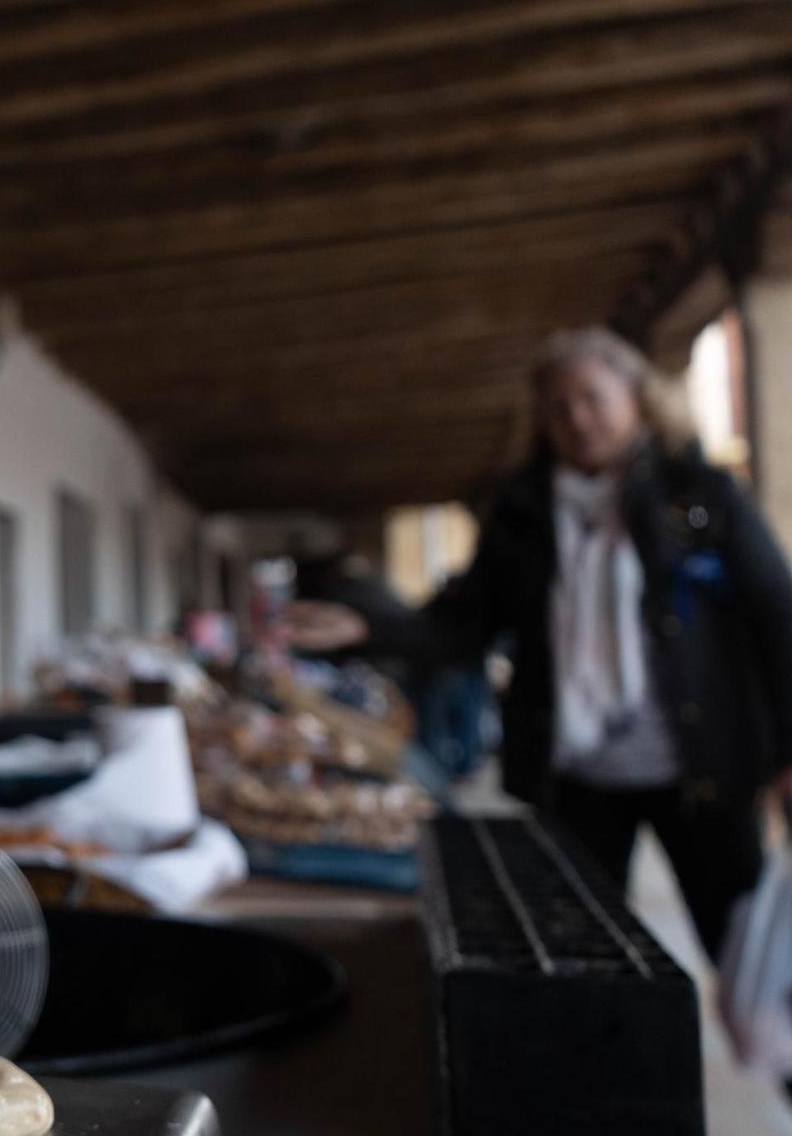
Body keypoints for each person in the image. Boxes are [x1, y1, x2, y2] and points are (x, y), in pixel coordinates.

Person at [288, 326, 792, 957]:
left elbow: (778, 615)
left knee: (747, 945)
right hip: (577, 773)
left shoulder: (700, 496)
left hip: (701, 767)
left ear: (635, 395)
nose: (578, 418)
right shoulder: (524, 513)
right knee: (588, 947)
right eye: (559, 407)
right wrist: (371, 627)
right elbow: (466, 622)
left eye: (592, 397)